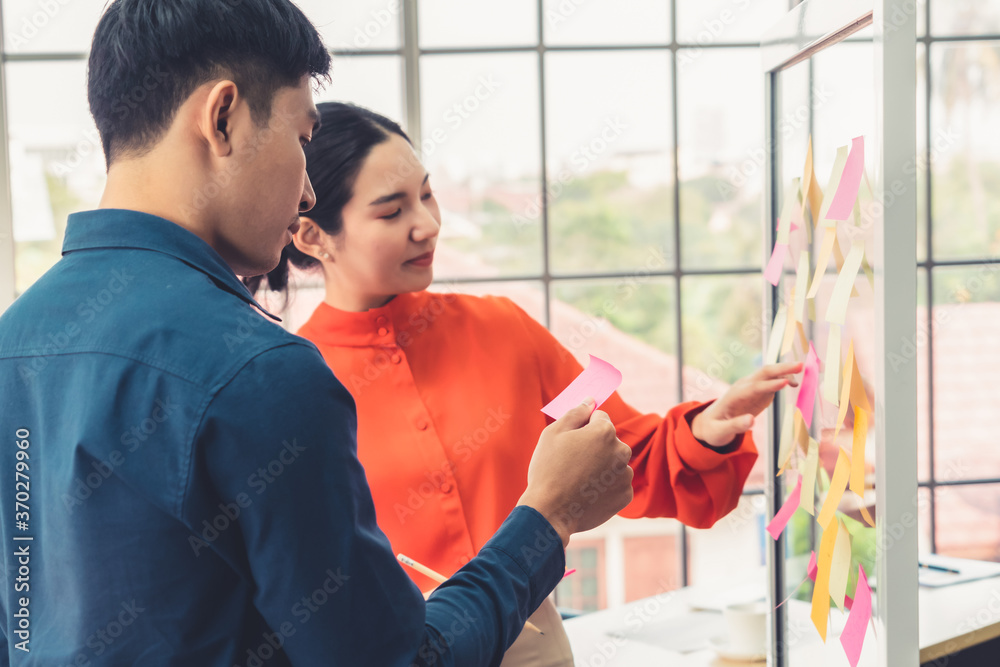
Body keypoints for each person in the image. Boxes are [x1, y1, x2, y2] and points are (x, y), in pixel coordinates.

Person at [0, 2, 636, 665]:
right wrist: (548, 516)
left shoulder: (12, 342)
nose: (307, 191)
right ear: (223, 118)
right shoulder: (261, 371)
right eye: (303, 140)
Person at [246, 102, 803, 666]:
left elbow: (628, 457)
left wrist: (708, 430)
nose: (428, 224)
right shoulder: (297, 380)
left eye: (427, 194)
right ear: (313, 236)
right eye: (392, 212)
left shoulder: (501, 328)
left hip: (531, 646)